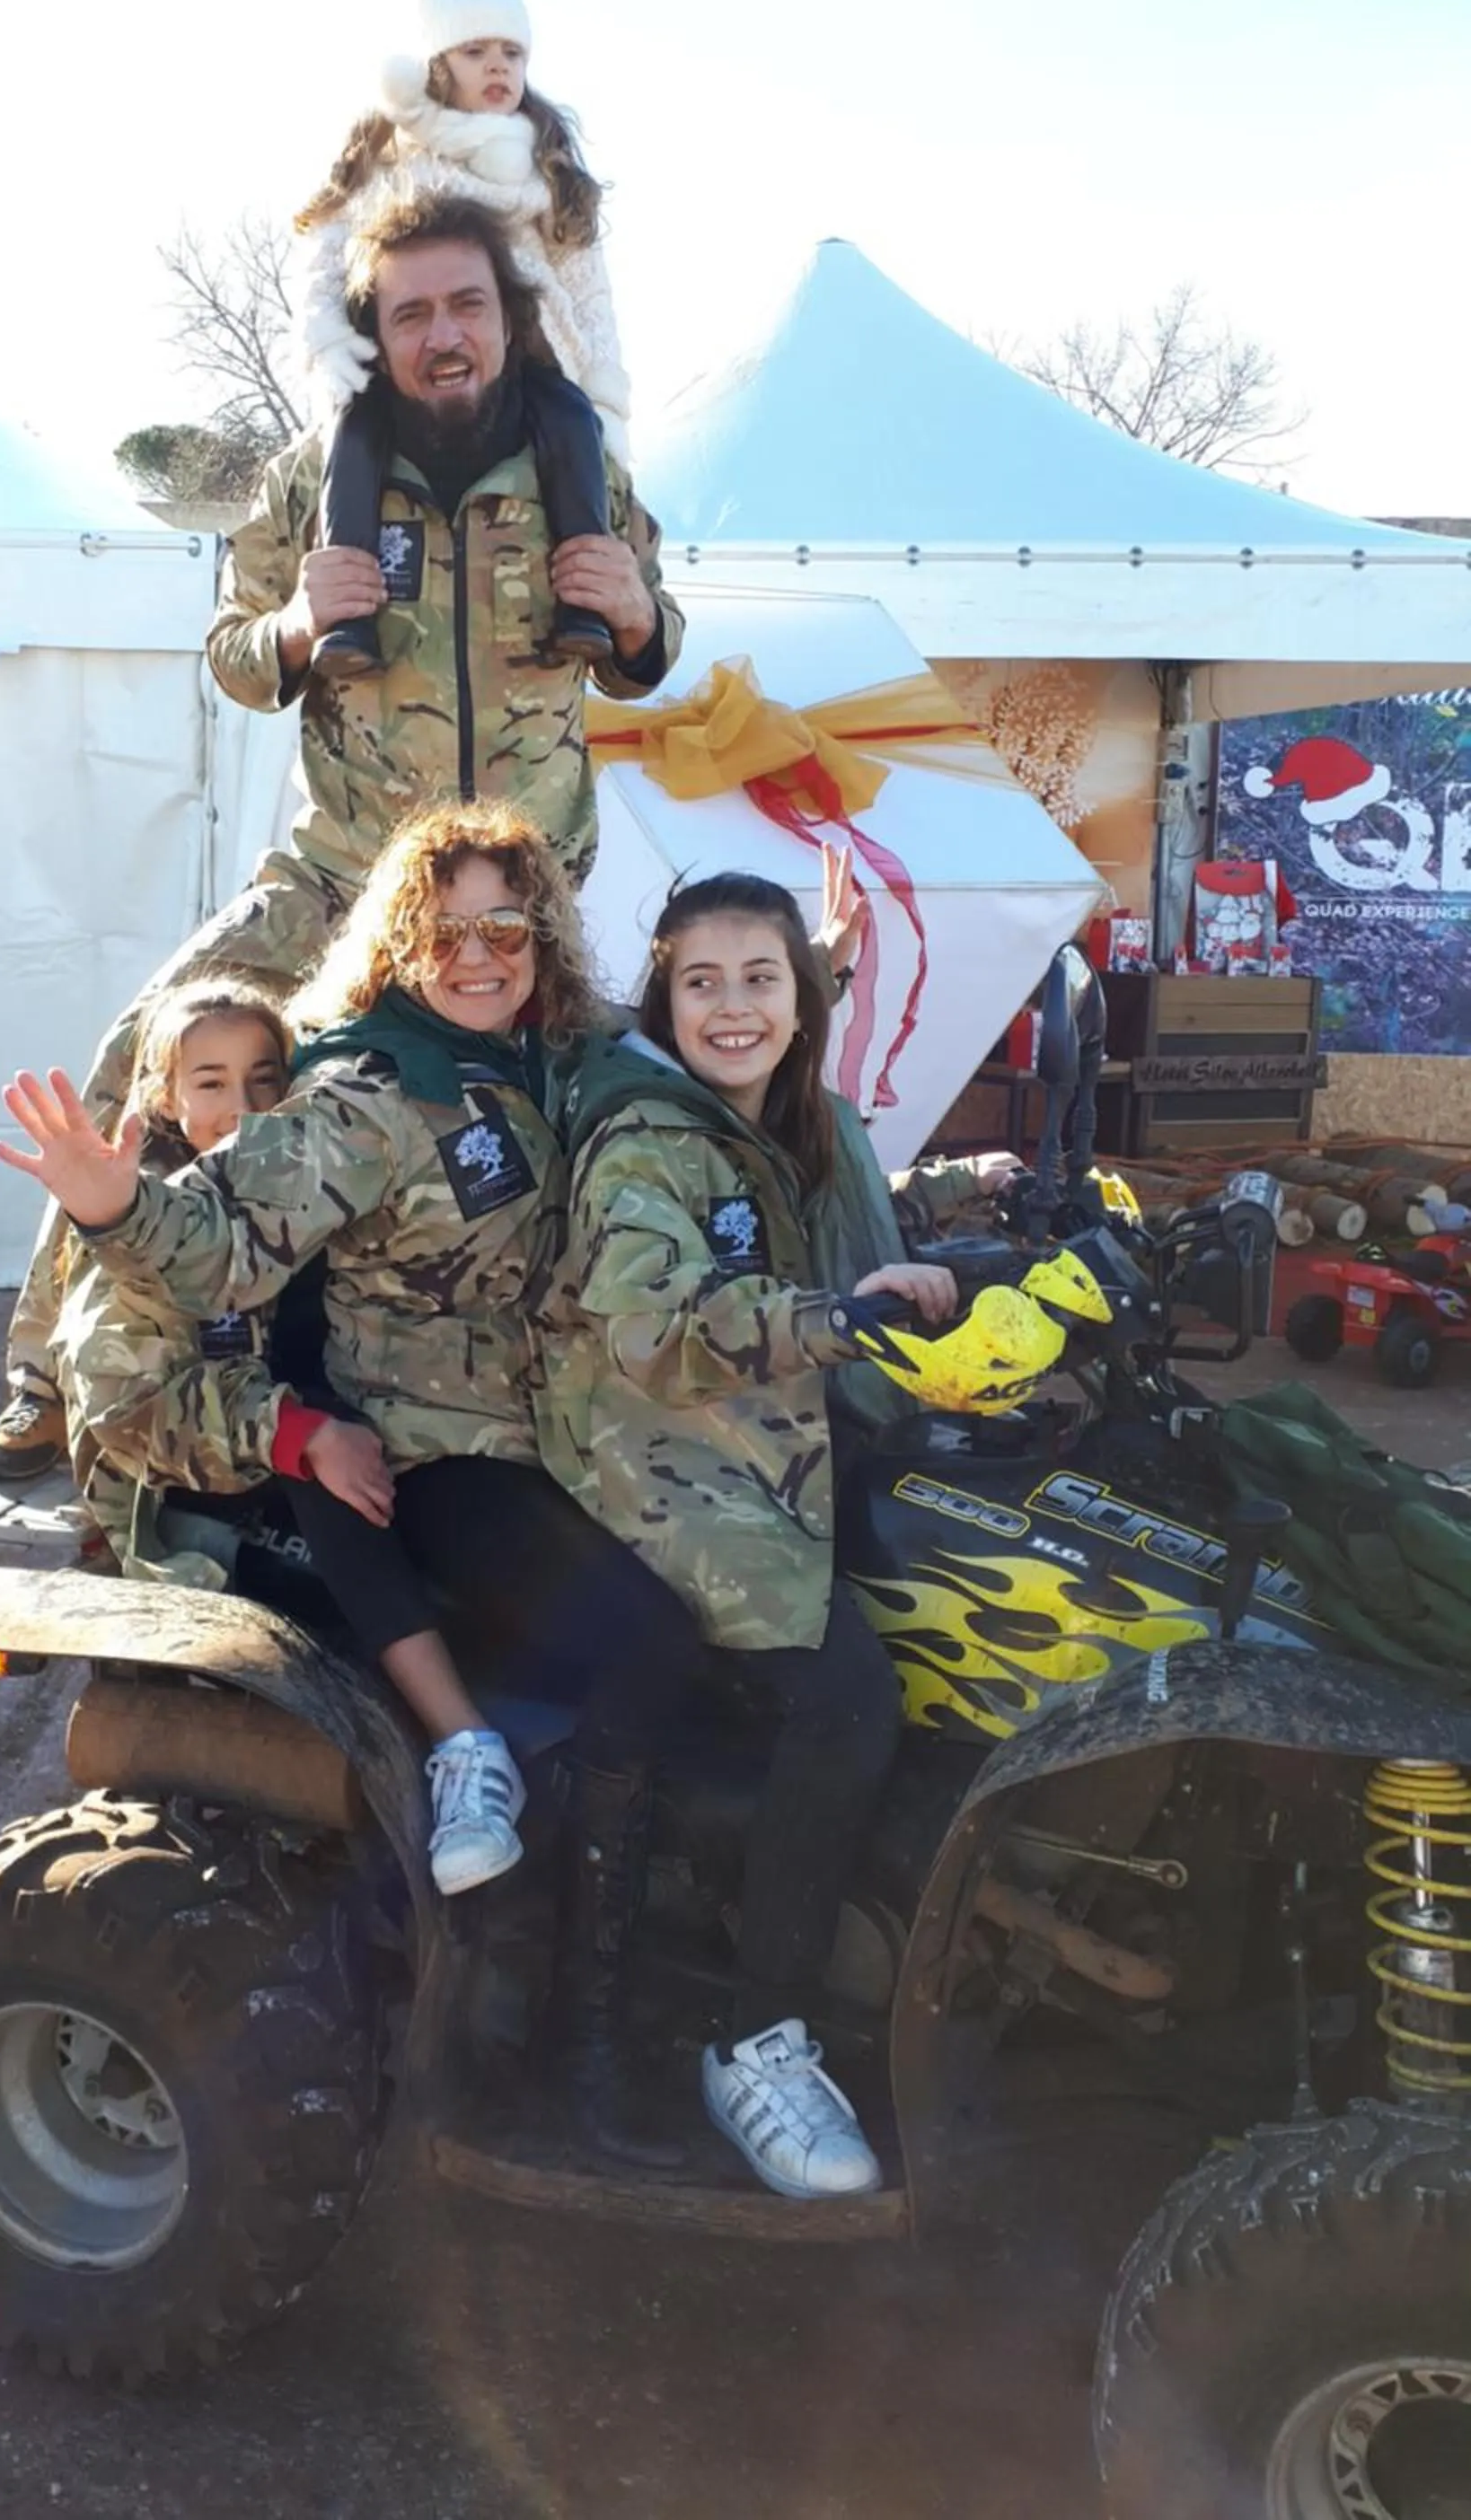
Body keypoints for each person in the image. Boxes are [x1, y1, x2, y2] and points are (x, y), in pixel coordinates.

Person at [0, 800, 704, 2168]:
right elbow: (210, 1245)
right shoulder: (376, 1091)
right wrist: (111, 1208)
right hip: (425, 1456)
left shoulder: (545, 1062)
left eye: (506, 926)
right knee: (643, 1656)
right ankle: (567, 2024)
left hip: (545, 1438)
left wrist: (806, 981)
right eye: (447, 933)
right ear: (402, 941)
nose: (479, 953)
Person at [0, 187, 683, 1484]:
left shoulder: (583, 477)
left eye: (465, 303)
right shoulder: (314, 480)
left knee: (621, 1112)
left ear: (508, 319)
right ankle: (50, 1382)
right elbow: (234, 657)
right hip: (347, 873)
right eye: (409, 313)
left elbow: (648, 653)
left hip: (520, 904)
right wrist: (295, 628)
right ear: (376, 333)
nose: (441, 333)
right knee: (153, 1044)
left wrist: (637, 614)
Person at [539, 873, 1017, 2201]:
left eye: (764, 979)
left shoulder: (780, 1119)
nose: (733, 1006)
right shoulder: (645, 1141)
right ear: (662, 999)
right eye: (702, 983)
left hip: (777, 1429)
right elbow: (645, 1318)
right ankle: (754, 2036)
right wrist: (832, 1317)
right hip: (664, 1460)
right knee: (850, 1694)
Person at [293, 0, 628, 678]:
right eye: (477, 52)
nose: (498, 68)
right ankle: (346, 616)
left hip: (525, 359)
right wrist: (322, 332)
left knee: (571, 423)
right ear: (437, 63)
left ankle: (584, 602)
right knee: (356, 438)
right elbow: (327, 241)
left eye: (512, 53)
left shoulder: (549, 169)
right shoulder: (393, 155)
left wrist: (604, 388)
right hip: (402, 365)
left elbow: (588, 290)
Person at [48, 979, 389, 1572]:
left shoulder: (315, 1191)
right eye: (211, 1083)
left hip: (322, 1456)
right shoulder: (140, 1219)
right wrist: (297, 1432)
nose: (246, 1109)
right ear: (166, 1098)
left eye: (265, 1079)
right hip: (193, 1493)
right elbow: (126, 1407)